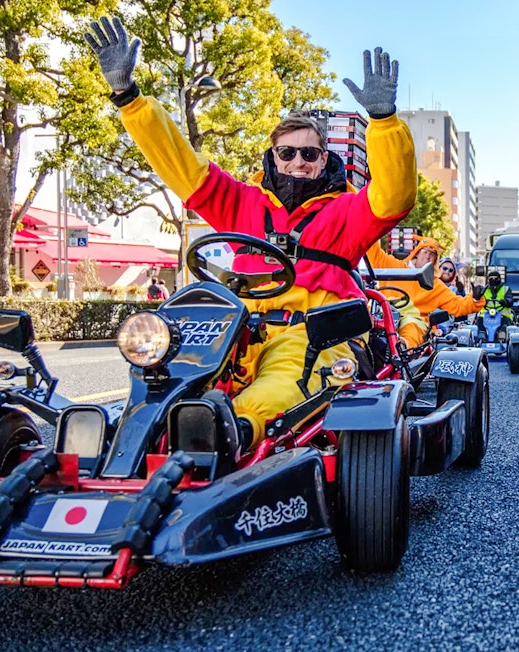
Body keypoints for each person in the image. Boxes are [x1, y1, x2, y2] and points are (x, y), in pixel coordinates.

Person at [86, 16, 416, 452]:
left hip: (316, 338)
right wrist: (129, 99)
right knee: (167, 383)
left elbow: (395, 195)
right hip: (238, 334)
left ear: (323, 160)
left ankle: (232, 431)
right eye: (287, 152)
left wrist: (384, 121)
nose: (298, 161)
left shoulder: (347, 210)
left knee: (273, 390)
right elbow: (180, 163)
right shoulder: (239, 200)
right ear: (273, 158)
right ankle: (130, 441)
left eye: (309, 153)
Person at [364, 237, 485, 348]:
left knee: (411, 328)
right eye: (425, 251)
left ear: (435, 261)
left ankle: (401, 347)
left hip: (412, 320)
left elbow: (457, 305)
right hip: (382, 313)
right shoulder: (393, 266)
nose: (427, 256)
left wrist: (475, 298)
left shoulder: (435, 285)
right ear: (416, 252)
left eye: (432, 254)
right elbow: (373, 251)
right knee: (361, 323)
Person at [476, 269, 513, 340]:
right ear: (488, 279)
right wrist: (483, 302)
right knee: (479, 324)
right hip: (485, 315)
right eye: (491, 278)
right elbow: (477, 300)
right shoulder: (484, 290)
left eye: (496, 278)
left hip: (503, 315)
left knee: (506, 325)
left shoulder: (506, 289)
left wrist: (505, 302)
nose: (493, 280)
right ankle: (480, 337)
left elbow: (510, 300)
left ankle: (503, 337)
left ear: (499, 279)